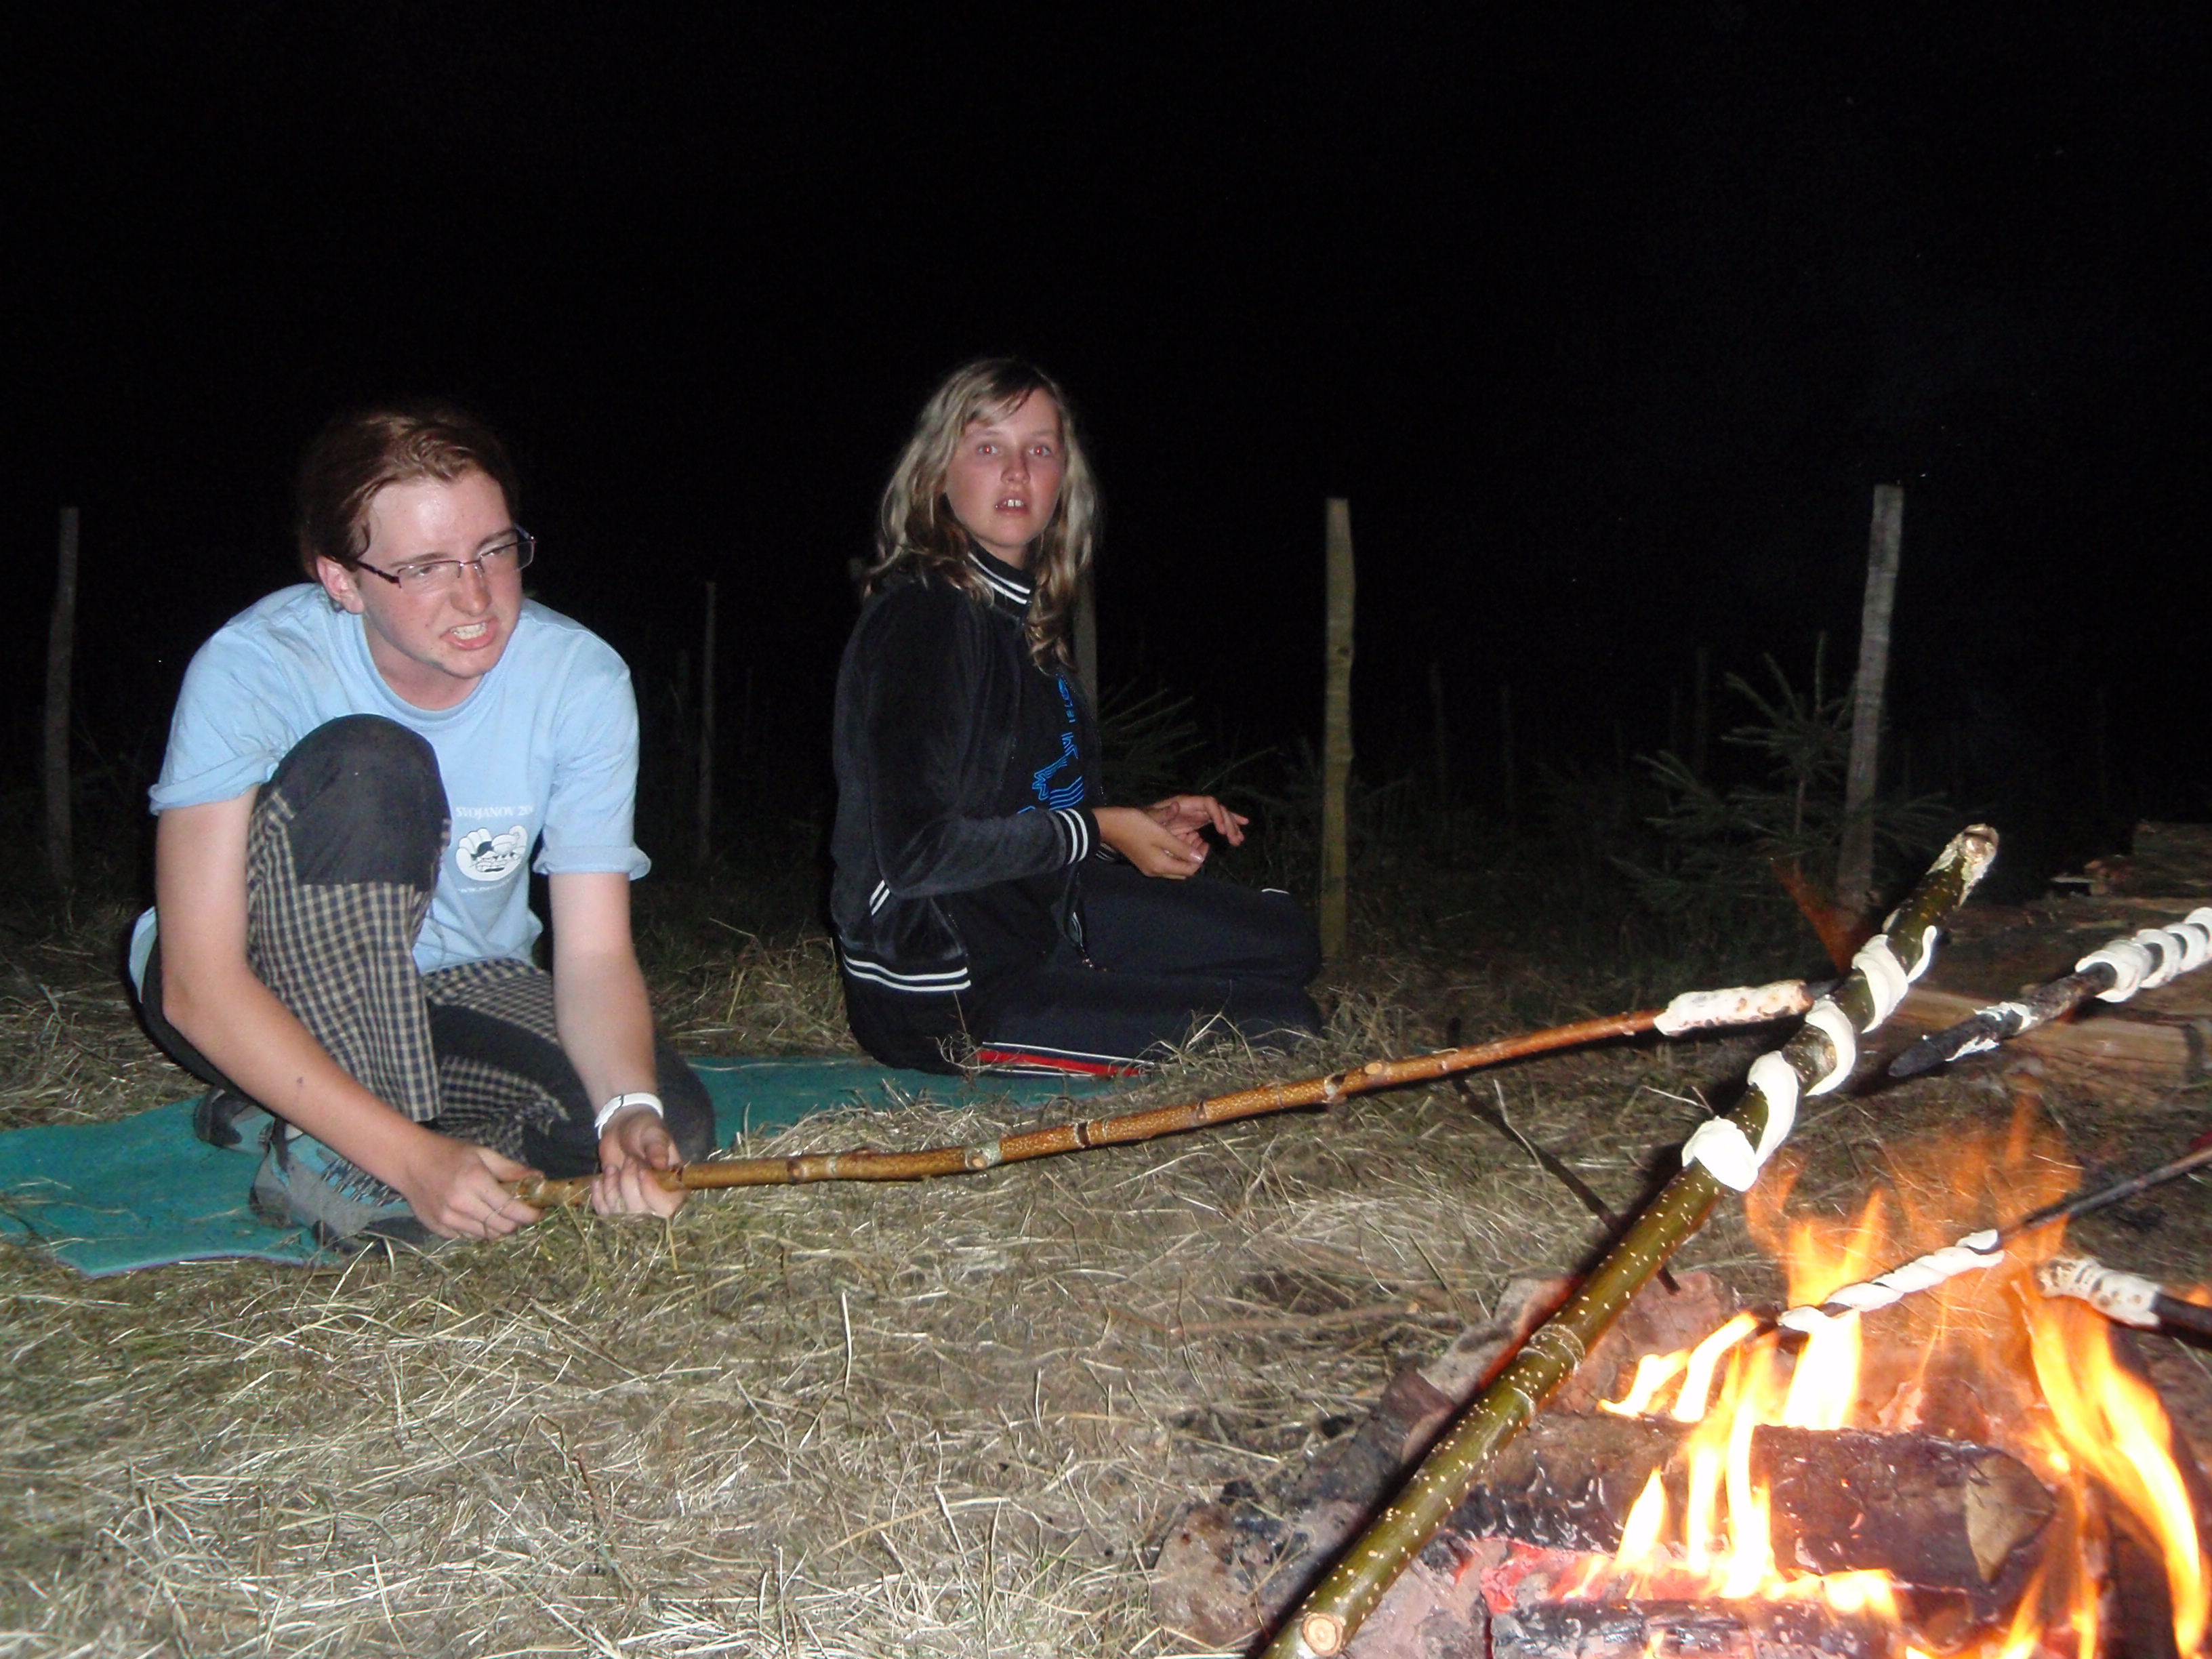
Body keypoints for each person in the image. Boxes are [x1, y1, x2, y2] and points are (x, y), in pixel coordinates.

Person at [130, 403, 714, 1248]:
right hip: (255, 983)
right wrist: (410, 1159)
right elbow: (198, 983)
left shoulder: (578, 680)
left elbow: (591, 953)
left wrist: (629, 1108)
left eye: (495, 551)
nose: (476, 596)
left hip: (455, 985)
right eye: (426, 567)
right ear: (342, 579)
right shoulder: (255, 666)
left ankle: (305, 1115)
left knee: (664, 1133)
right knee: (374, 767)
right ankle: (339, 1138)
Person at [830, 359, 1322, 1075]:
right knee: (1284, 1024)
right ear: (938, 473)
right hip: (949, 986)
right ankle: (1086, 999)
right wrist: (1098, 827)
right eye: (988, 447)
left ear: (1065, 479)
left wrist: (1134, 825)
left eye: (1040, 449)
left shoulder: (1024, 619)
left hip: (1042, 911)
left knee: (1288, 940)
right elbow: (917, 854)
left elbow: (1036, 810)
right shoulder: (926, 619)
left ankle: (1101, 983)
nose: (1017, 472)